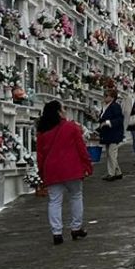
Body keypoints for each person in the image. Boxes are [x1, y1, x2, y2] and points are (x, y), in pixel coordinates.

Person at [36, 99, 93, 243]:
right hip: (71, 168)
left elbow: (40, 154)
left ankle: (57, 232)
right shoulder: (71, 127)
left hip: (52, 170)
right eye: (63, 109)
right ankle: (76, 227)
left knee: (54, 201)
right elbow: (81, 148)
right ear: (58, 112)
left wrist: (41, 171)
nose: (65, 111)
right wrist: (87, 164)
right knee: (76, 196)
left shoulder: (42, 131)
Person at [98, 84, 127, 181]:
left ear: (112, 97)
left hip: (114, 133)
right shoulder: (105, 106)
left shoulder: (115, 106)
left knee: (111, 152)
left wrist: (107, 122)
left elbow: (119, 119)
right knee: (110, 153)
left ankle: (111, 174)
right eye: (104, 95)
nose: (105, 97)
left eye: (107, 96)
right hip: (107, 133)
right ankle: (118, 172)